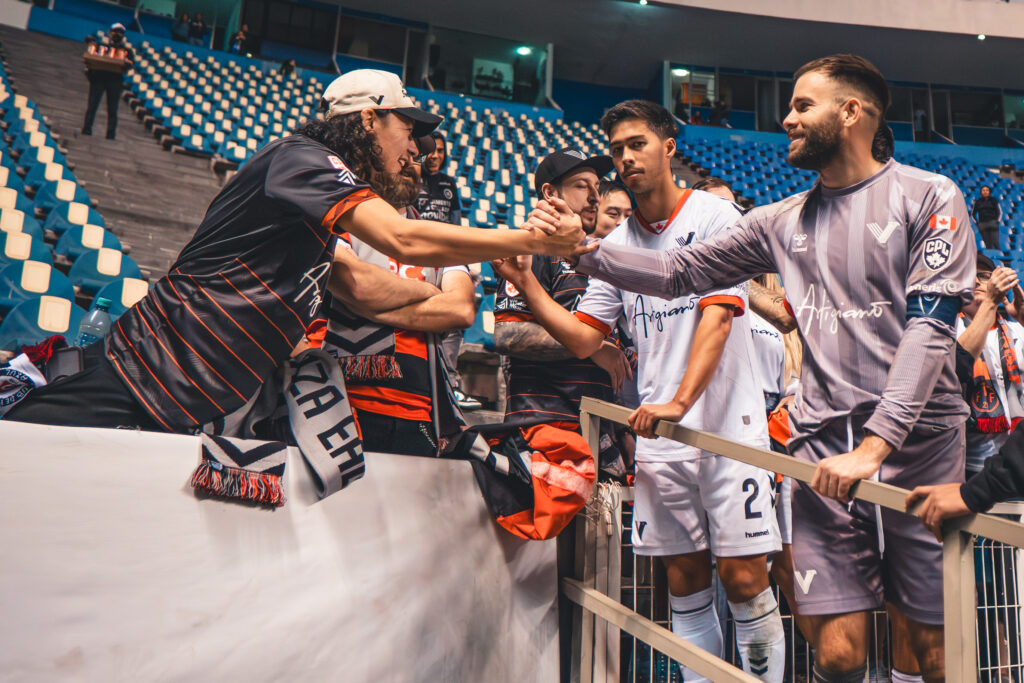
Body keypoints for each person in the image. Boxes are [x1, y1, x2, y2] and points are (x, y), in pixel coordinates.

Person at [535, 55, 976, 682]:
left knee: (928, 651)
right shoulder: (778, 219)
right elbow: (677, 272)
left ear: (851, 112)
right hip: (820, 449)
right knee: (839, 654)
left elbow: (930, 329)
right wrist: (583, 253)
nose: (786, 117)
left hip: (918, 450)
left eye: (802, 105)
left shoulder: (932, 196)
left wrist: (877, 444)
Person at [4, 69, 582, 433]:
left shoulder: (317, 207)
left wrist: (431, 293)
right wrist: (531, 240)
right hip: (146, 372)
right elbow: (401, 239)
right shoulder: (300, 158)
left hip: (187, 397)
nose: (415, 151)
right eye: (408, 131)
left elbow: (365, 286)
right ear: (369, 120)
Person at [494, 104, 785, 682]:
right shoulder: (615, 245)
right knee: (685, 583)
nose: (625, 158)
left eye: (637, 144)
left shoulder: (716, 214)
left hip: (726, 430)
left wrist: (679, 401)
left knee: (746, 581)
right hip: (660, 435)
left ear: (669, 145)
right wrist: (527, 282)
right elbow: (583, 338)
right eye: (617, 149)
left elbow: (720, 312)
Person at [322, 159, 476, 457]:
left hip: (421, 409)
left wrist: (371, 306)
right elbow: (358, 285)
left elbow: (461, 309)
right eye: (403, 154)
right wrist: (428, 292)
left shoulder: (438, 235)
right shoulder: (338, 221)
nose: (410, 163)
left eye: (417, 159)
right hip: (343, 404)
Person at [494, 148, 631, 474]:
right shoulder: (532, 246)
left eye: (598, 187)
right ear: (550, 193)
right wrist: (593, 346)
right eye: (583, 186)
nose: (595, 197)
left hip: (600, 431)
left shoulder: (602, 257)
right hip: (544, 428)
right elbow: (508, 335)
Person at [82, 23, 134, 141]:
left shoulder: (126, 51)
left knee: (113, 108)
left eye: (120, 32)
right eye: (115, 32)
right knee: (92, 105)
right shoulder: (101, 47)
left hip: (115, 80)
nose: (117, 35)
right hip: (99, 77)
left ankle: (111, 134)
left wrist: (126, 63)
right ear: (110, 33)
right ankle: (87, 128)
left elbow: (130, 64)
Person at [415, 132, 461, 225]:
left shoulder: (449, 182)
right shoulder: (412, 179)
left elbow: (456, 221)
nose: (435, 156)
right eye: (431, 151)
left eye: (440, 151)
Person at [972, 185, 1002, 250]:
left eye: (987, 190)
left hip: (993, 223)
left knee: (995, 242)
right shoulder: (978, 202)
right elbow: (973, 214)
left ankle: (998, 256)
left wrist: (997, 221)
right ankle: (989, 258)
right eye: (983, 190)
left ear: (989, 192)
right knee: (987, 244)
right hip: (982, 224)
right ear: (981, 192)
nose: (985, 192)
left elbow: (999, 212)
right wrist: (977, 223)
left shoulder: (994, 200)